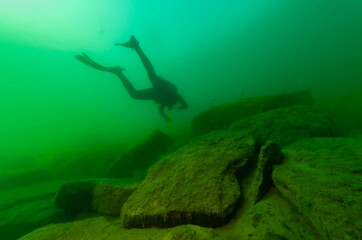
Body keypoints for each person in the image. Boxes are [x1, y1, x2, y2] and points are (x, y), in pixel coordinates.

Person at [75, 35, 188, 122]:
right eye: (171, 106)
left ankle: (118, 72)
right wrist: (181, 107)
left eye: (169, 107)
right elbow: (184, 104)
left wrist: (166, 118)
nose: (169, 107)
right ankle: (136, 46)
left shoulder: (165, 104)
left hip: (156, 92)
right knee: (150, 72)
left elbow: (161, 111)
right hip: (162, 87)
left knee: (134, 94)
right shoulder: (175, 97)